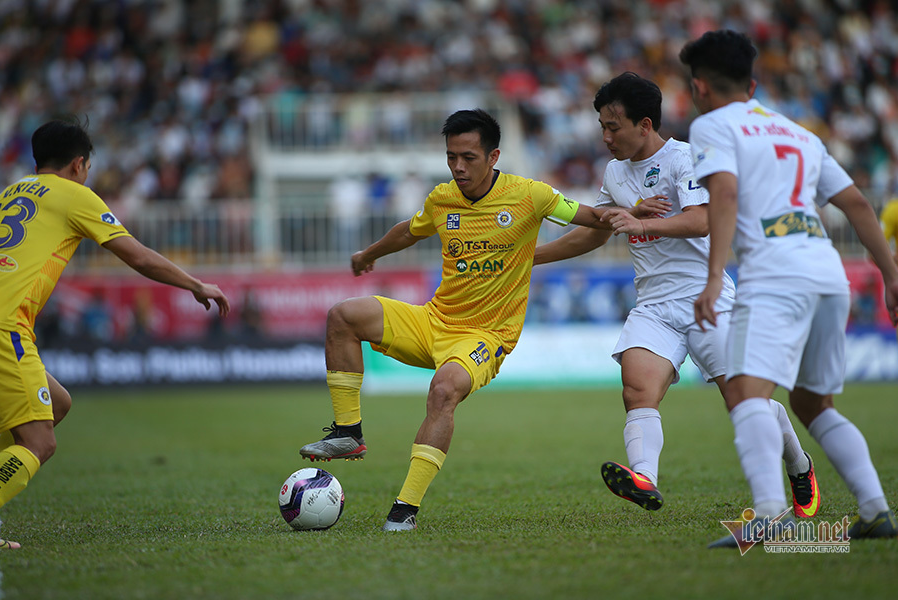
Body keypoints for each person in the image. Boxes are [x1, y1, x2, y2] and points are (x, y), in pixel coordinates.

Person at [299, 109, 616, 531]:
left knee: (443, 390)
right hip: (434, 320)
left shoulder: (531, 195)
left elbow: (596, 222)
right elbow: (408, 231)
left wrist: (626, 216)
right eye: (451, 157)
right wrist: (371, 253)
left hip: (485, 335)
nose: (458, 167)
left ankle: (404, 510)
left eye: (468, 157)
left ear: (494, 156)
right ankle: (348, 432)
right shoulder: (442, 198)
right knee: (343, 315)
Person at [534, 72, 819, 517]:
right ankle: (644, 477)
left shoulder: (686, 157)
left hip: (706, 297)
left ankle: (799, 465)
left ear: (644, 125)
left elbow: (702, 219)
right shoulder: (614, 171)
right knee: (637, 390)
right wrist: (531, 258)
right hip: (653, 305)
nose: (605, 137)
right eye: (601, 127)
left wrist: (642, 223)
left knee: (745, 402)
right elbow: (596, 232)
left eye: (614, 127)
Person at [681, 30, 898, 547]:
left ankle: (771, 514)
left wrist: (714, 278)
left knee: (749, 394)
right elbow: (859, 207)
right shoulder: (800, 133)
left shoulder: (711, 125)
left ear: (699, 87)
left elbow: (725, 194)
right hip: (828, 275)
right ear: (752, 84)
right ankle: (875, 510)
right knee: (812, 403)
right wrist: (891, 275)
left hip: (775, 276)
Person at [0, 118, 230, 549]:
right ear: (79, 164)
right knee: (39, 441)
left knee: (58, 404)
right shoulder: (75, 194)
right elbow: (137, 256)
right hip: (5, 324)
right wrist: (196, 284)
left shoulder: (9, 192)